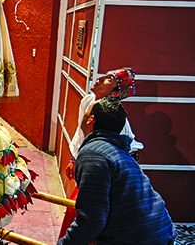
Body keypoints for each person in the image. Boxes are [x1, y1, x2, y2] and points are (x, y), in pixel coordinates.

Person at [58, 97, 176, 244]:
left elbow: (92, 220)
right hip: (160, 232)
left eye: (86, 113)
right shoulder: (118, 152)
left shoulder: (94, 154)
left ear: (91, 120)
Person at [59, 67, 144, 238]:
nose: (99, 78)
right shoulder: (88, 101)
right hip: (88, 163)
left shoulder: (117, 119)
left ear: (115, 91)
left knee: (83, 212)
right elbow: (80, 132)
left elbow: (127, 151)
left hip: (105, 176)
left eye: (108, 79)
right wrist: (74, 158)